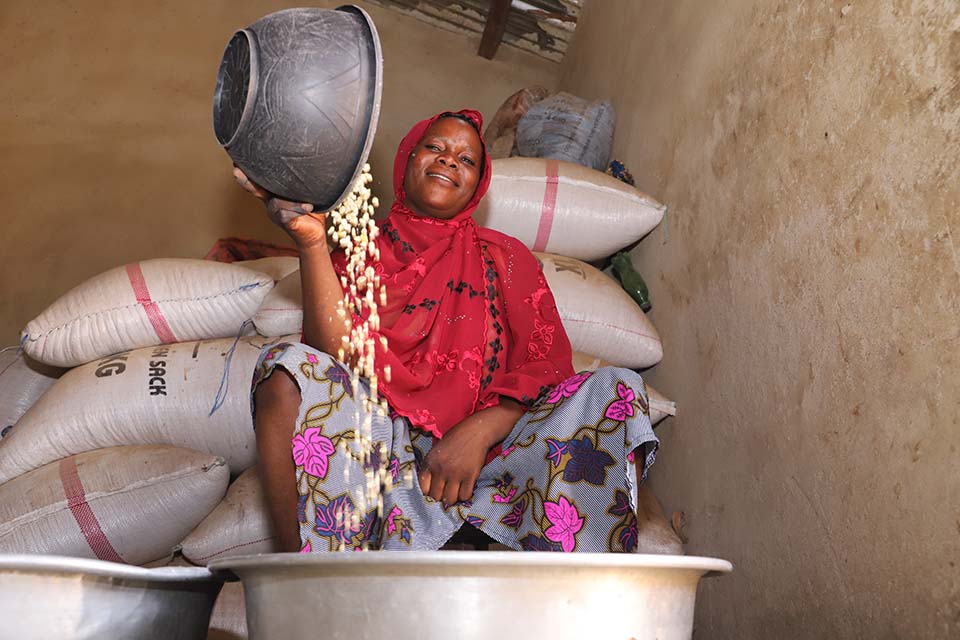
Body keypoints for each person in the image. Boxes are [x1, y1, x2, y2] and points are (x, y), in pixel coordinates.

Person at [236, 109, 658, 553]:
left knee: (616, 388)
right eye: (435, 147)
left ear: (478, 186)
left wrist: (478, 431)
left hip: (491, 458)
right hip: (377, 451)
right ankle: (303, 582)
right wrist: (312, 242)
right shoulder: (358, 253)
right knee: (285, 368)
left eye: (467, 159)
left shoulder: (506, 258)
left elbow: (546, 366)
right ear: (408, 159)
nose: (449, 161)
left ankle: (569, 594)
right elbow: (333, 356)